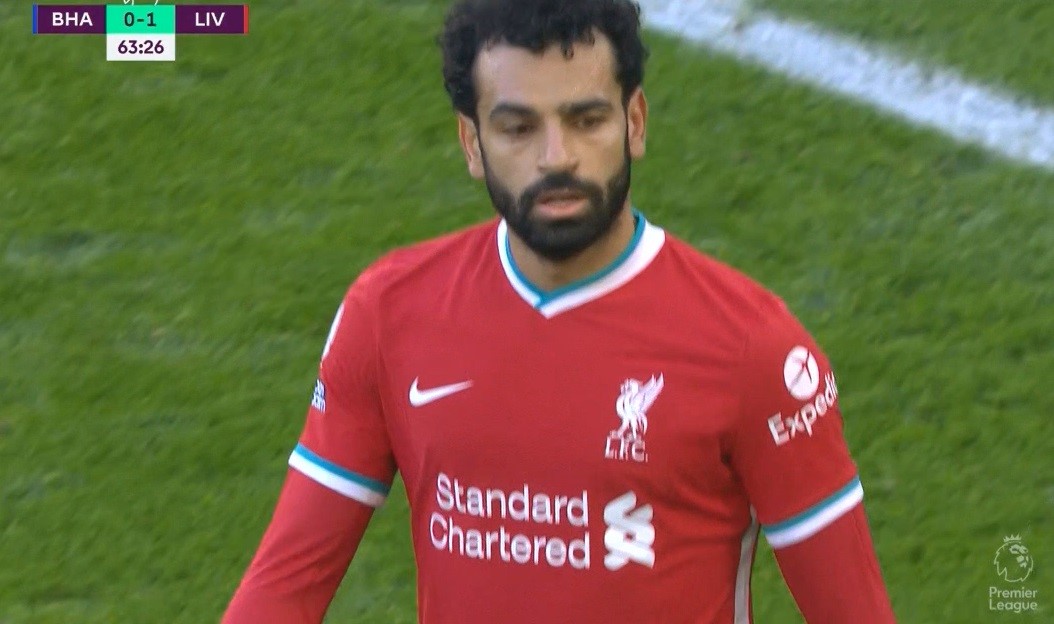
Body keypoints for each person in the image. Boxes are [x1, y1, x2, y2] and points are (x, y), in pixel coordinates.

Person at [223, 0, 897, 622]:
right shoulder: (388, 314)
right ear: (471, 143)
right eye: (518, 128)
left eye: (586, 119)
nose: (557, 158)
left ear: (635, 123)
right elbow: (285, 584)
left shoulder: (754, 349)